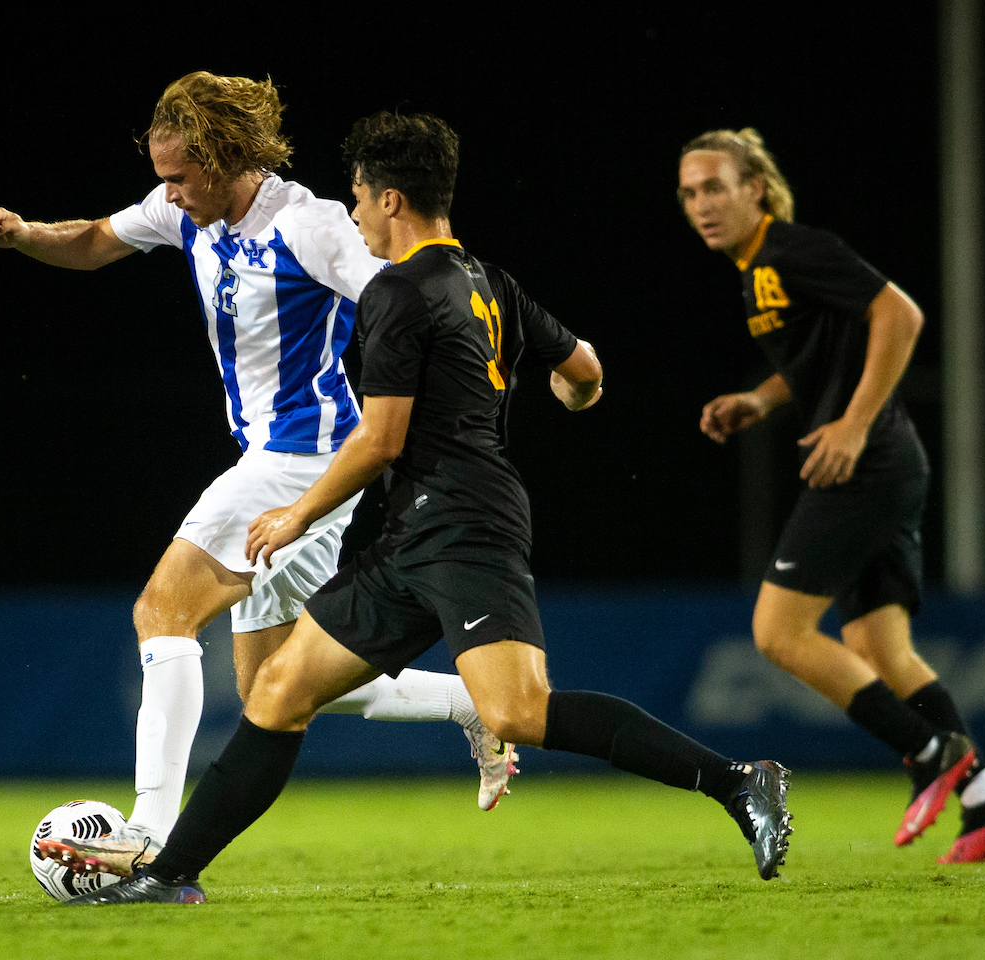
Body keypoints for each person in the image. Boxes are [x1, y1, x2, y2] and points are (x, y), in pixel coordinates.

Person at [46, 110, 794, 905]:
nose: (354, 214)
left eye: (359, 198)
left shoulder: (398, 293)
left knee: (520, 711)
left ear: (391, 199)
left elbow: (380, 439)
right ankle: (168, 874)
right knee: (279, 688)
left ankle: (736, 779)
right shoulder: (490, 280)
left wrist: (297, 514)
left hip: (466, 524)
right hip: (414, 529)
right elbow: (584, 370)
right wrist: (568, 394)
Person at [0, 73, 519, 872]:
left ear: (225, 156)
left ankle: (150, 832)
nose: (168, 192)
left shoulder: (307, 225)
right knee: (279, 680)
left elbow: (405, 294)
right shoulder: (181, 211)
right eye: (161, 177)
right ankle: (471, 701)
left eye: (179, 176)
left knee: (162, 610)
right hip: (285, 458)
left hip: (304, 456)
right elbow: (93, 240)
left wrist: (448, 411)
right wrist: (25, 234)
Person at [679, 127, 985, 864]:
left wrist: (854, 425)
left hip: (867, 466)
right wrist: (762, 400)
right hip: (889, 465)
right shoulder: (757, 270)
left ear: (755, 189)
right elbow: (820, 355)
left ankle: (929, 751)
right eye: (688, 193)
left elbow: (899, 314)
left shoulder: (792, 249)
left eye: (714, 187)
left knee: (778, 632)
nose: (700, 204)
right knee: (879, 647)